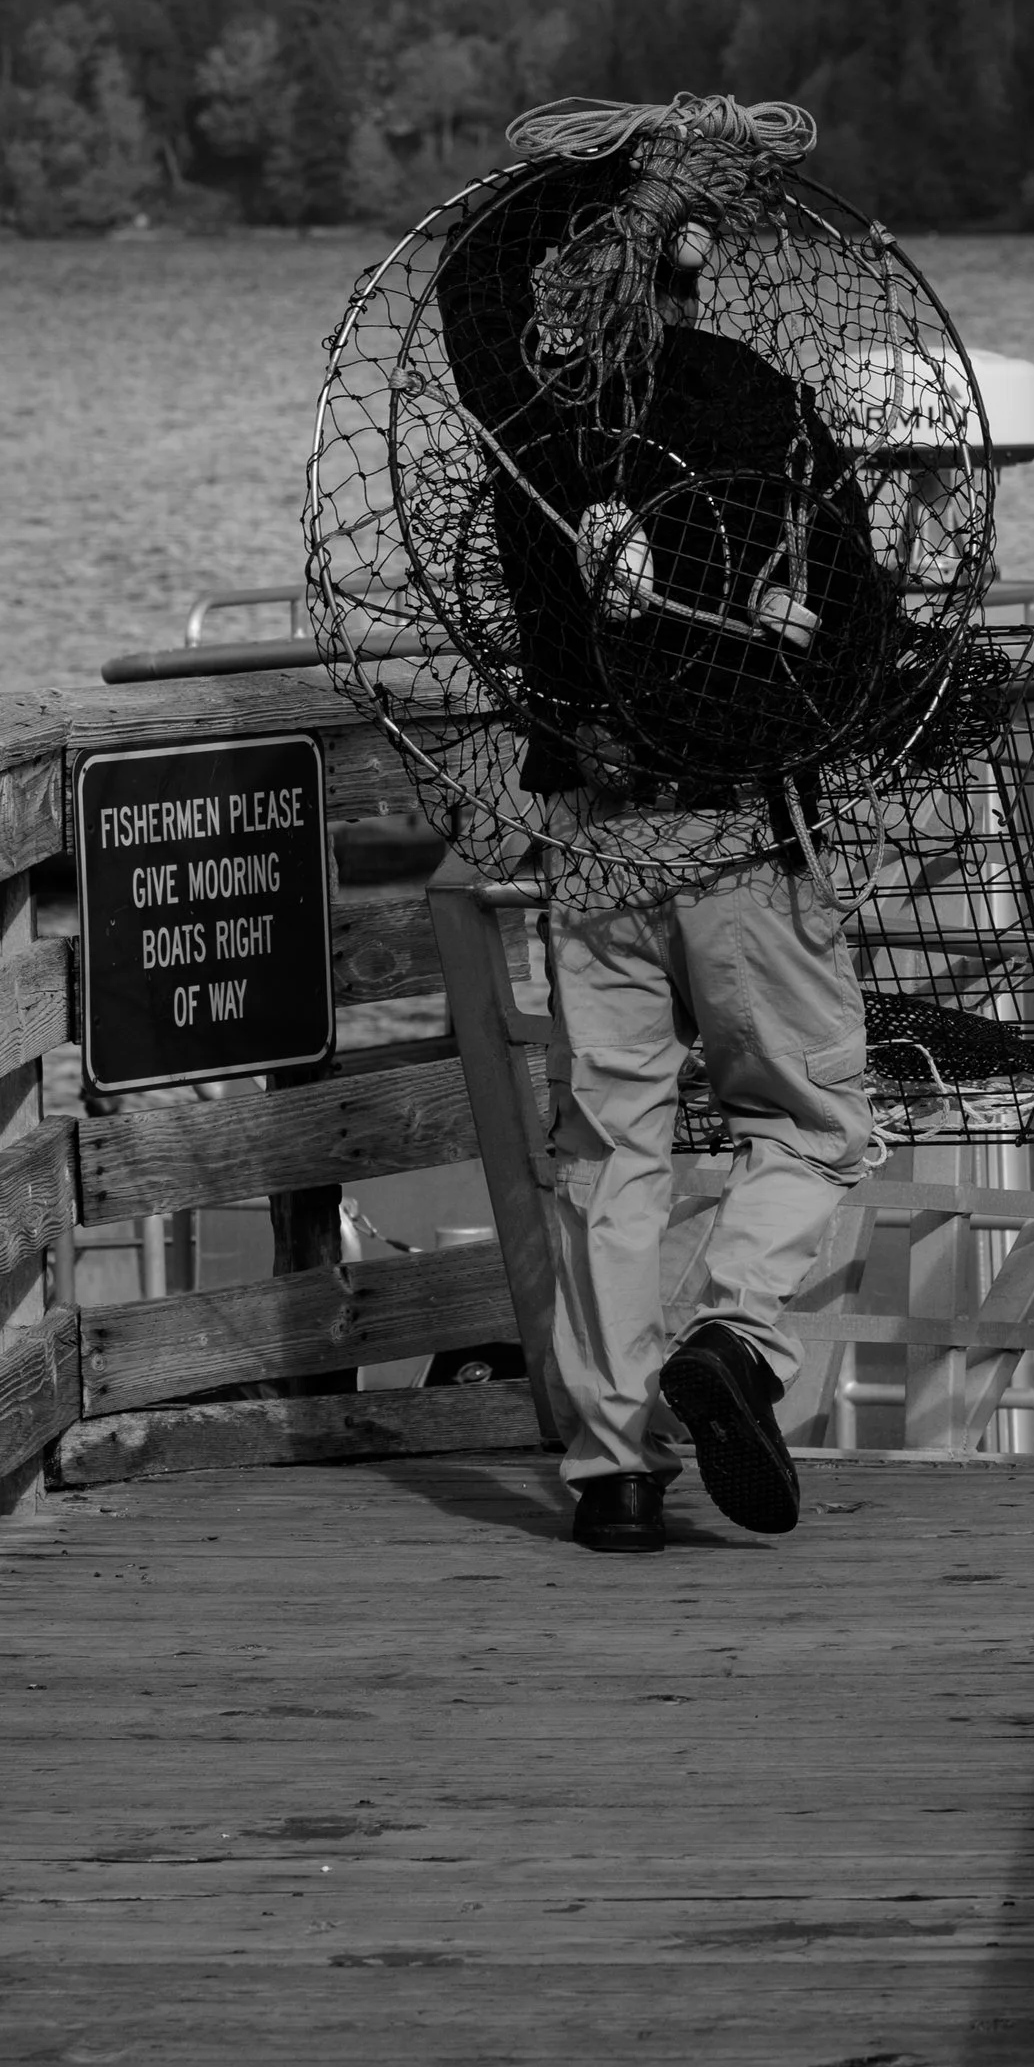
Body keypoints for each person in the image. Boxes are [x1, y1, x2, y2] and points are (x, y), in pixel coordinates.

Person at [435, 114, 884, 1555]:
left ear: (587, 282)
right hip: (743, 838)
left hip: (600, 845)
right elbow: (864, 635)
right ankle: (737, 1342)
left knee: (614, 1154)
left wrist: (605, 172)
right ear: (701, 273)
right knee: (811, 1124)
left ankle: (613, 1470)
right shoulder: (761, 404)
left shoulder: (535, 424)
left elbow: (466, 283)